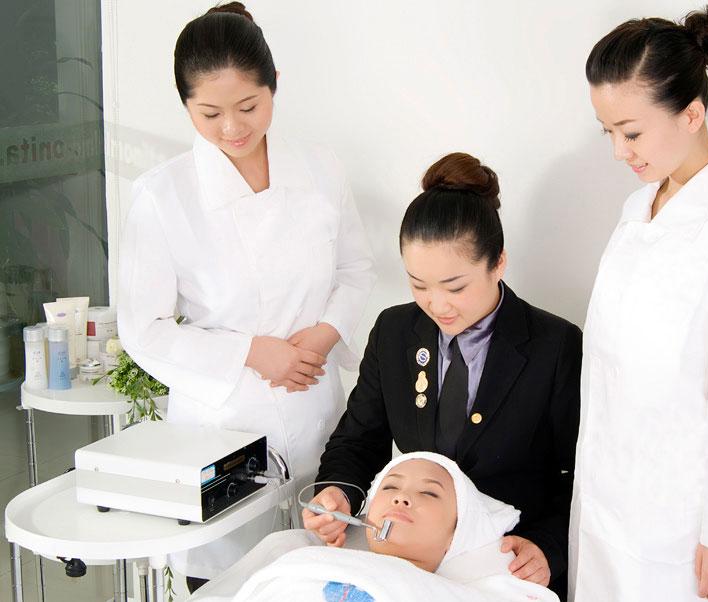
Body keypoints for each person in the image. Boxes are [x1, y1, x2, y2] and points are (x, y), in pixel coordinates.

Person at [117, 2, 375, 588]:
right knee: (227, 581)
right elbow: (143, 328)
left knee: (320, 575)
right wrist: (254, 353)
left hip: (315, 407)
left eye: (249, 107)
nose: (232, 128)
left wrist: (325, 333)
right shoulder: (163, 196)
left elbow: (356, 268)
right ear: (185, 103)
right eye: (209, 113)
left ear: (274, 84)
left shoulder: (321, 169)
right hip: (224, 423)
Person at [568, 5, 708, 601]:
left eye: (631, 132)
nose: (618, 152)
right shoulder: (638, 211)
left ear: (692, 114)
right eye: (608, 132)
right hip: (610, 502)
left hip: (683, 526)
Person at [303, 152, 581, 598]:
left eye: (455, 287)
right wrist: (340, 493)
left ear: (498, 263)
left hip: (507, 565)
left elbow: (584, 474)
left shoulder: (554, 346)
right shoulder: (395, 331)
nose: (437, 305)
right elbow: (358, 441)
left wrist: (548, 546)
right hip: (412, 565)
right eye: (418, 285)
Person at [229, 452, 559, 602]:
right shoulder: (303, 560)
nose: (401, 497)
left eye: (429, 493)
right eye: (389, 487)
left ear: (457, 533)